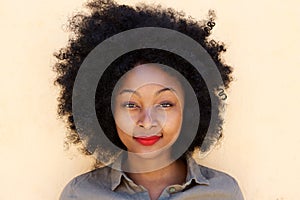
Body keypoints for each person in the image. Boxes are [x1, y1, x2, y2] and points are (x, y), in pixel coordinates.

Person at [53, 0, 244, 199]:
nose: (147, 122)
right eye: (130, 105)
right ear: (107, 112)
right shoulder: (80, 194)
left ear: (189, 110)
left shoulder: (223, 193)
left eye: (165, 104)